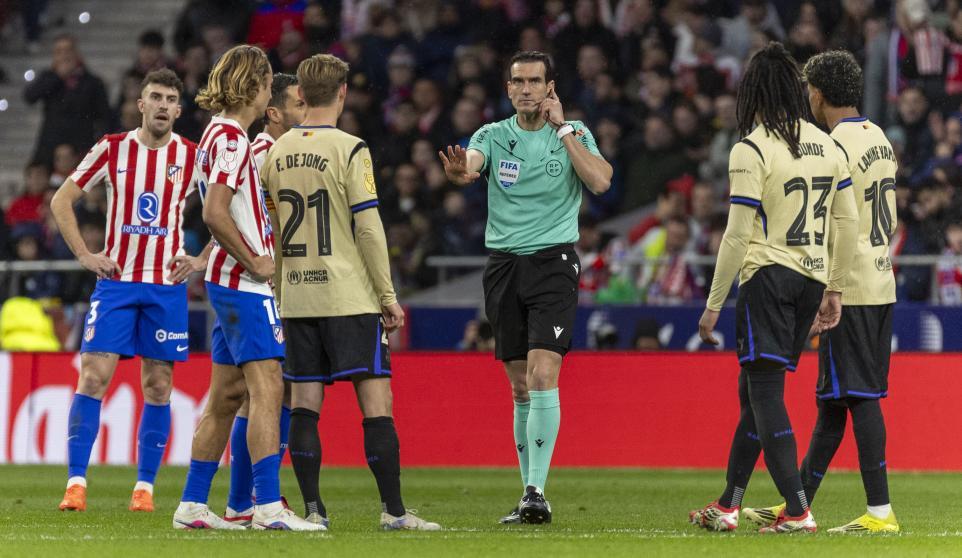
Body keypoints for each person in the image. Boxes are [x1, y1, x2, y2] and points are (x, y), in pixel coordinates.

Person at [262, 53, 440, 531]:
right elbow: (369, 227)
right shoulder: (351, 148)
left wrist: (281, 282)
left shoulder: (274, 153)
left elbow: (273, 229)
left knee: (304, 405)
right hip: (347, 295)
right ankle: (394, 512)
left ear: (300, 94)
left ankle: (313, 511)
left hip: (296, 297)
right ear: (342, 93)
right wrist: (387, 294)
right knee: (376, 404)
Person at [689, 42, 858, 534]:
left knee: (764, 390)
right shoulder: (829, 144)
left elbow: (737, 234)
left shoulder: (752, 147)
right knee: (754, 392)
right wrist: (835, 288)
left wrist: (713, 304)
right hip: (810, 278)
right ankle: (727, 504)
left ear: (753, 93)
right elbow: (847, 223)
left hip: (768, 275)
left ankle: (798, 509)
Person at [439, 50, 612, 524]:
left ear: (551, 87)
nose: (527, 89)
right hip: (504, 266)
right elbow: (470, 164)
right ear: (508, 88)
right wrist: (461, 172)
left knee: (543, 374)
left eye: (536, 81)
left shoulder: (574, 133)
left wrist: (562, 129)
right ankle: (527, 494)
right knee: (519, 385)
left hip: (554, 262)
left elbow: (599, 180)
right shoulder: (493, 135)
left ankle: (538, 489)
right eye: (519, 82)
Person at [743, 50, 900, 534]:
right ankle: (798, 504)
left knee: (860, 397)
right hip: (880, 277)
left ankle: (880, 512)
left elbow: (836, 220)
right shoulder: (880, 140)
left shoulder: (833, 146)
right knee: (835, 401)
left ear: (816, 93)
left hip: (848, 286)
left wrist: (826, 286)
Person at [171, 45, 321, 532]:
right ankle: (269, 508)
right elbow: (216, 212)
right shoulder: (234, 140)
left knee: (225, 398)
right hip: (244, 285)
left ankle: (193, 504)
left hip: (225, 282)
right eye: (263, 82)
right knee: (268, 387)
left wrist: (209, 259)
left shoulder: (214, 135)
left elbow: (222, 212)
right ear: (254, 87)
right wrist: (254, 258)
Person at [50, 69, 208, 513]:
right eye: (154, 96)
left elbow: (228, 208)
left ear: (179, 109)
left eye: (170, 99)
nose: (161, 104)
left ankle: (145, 489)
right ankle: (76, 485)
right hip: (116, 284)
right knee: (93, 377)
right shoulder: (113, 148)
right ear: (141, 104)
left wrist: (201, 259)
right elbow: (61, 200)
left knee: (158, 386)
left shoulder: (192, 156)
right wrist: (84, 254)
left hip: (166, 287)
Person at [223, 72, 305, 525]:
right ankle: (254, 497)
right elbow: (231, 211)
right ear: (274, 113)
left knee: (266, 390)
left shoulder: (274, 151)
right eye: (298, 104)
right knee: (264, 390)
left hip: (278, 282)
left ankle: (243, 500)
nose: (306, 112)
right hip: (264, 283)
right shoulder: (261, 153)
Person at [23, 34, 112, 166]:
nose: (64, 56)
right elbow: (29, 97)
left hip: (80, 146)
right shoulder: (48, 78)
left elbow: (104, 115)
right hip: (50, 145)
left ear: (77, 53)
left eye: (68, 50)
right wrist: (58, 76)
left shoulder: (92, 82)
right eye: (59, 52)